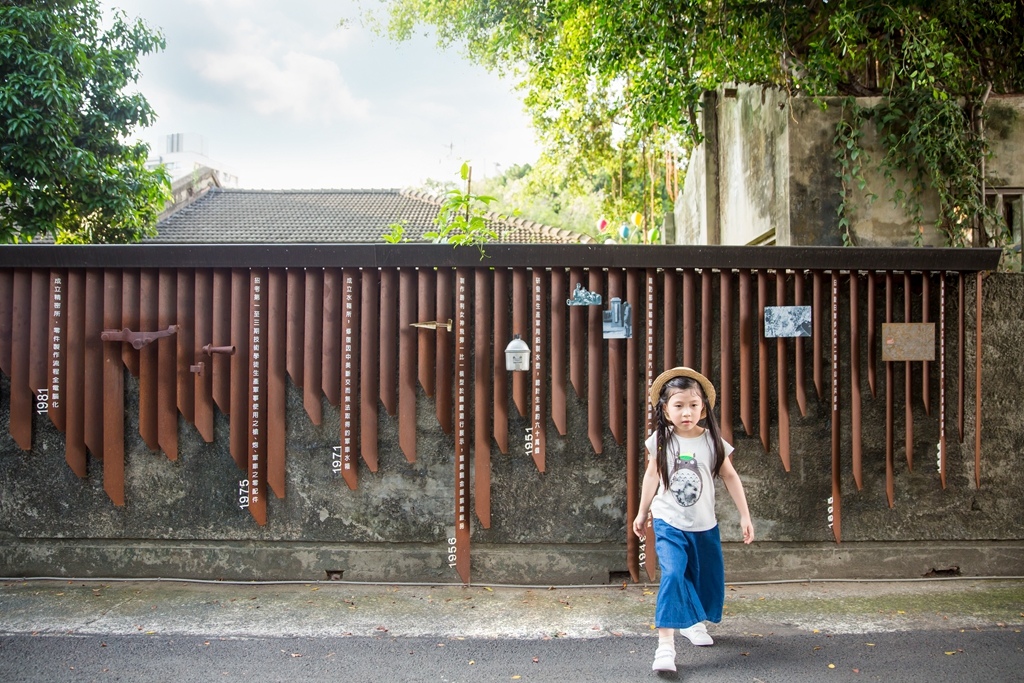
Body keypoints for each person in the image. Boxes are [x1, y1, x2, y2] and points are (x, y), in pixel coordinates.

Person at [632, 366, 754, 674]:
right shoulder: (660, 440)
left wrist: (744, 515)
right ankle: (665, 647)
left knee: (703, 579)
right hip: (668, 521)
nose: (687, 412)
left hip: (703, 526)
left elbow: (730, 476)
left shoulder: (713, 441)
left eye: (693, 405)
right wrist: (642, 511)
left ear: (703, 408)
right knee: (673, 574)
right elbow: (651, 475)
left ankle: (692, 622)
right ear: (665, 408)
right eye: (679, 405)